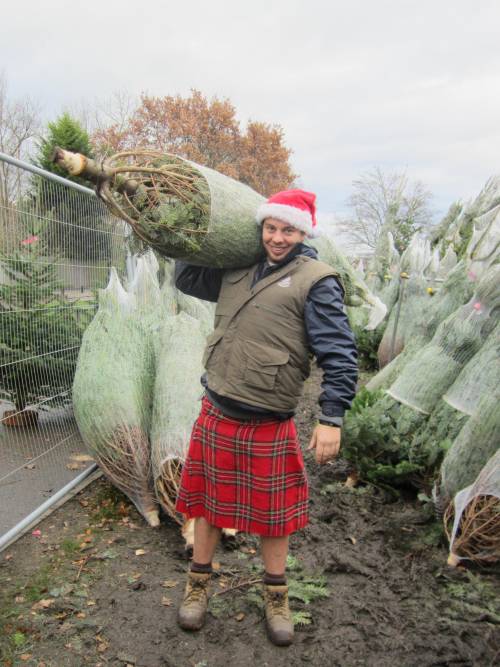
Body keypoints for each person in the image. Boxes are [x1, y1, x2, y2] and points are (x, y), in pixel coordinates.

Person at [174, 189, 358, 646]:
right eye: (271, 228)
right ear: (261, 228)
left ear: (303, 233)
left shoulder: (317, 280)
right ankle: (197, 586)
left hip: (268, 421)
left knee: (274, 518)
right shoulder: (236, 266)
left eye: (288, 230)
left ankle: (276, 596)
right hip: (217, 408)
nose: (277, 238)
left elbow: (340, 354)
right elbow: (187, 278)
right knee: (206, 506)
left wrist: (331, 417)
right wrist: (177, 234)